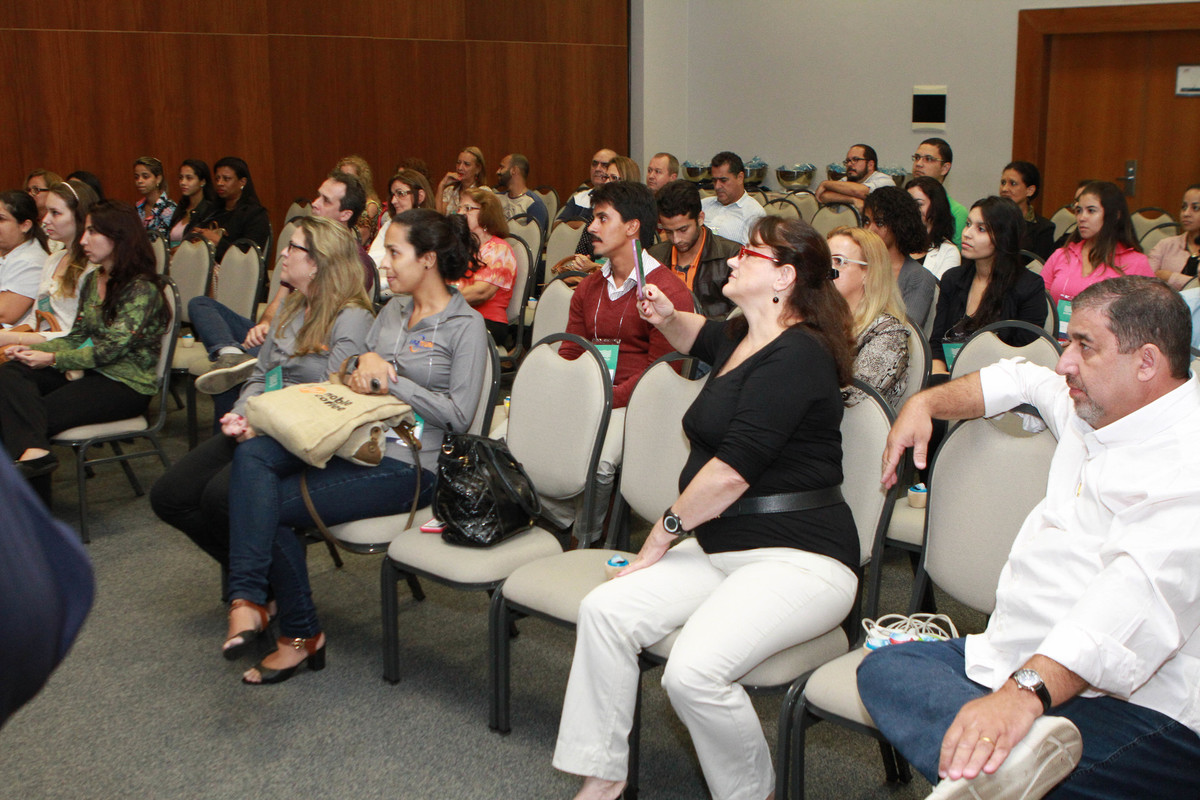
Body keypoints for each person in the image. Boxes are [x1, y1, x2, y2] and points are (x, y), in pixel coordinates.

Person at [554, 216, 860, 800]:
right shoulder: (743, 333)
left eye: (750, 252)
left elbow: (729, 475)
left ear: (784, 277)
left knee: (692, 674)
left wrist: (662, 534)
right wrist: (667, 318)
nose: (734, 258)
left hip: (801, 560)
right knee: (606, 612)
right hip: (726, 548)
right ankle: (604, 778)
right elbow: (698, 333)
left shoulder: (799, 355)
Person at [860, 275, 1200, 800]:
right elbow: (1016, 378)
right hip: (1020, 659)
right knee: (887, 668)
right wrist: (924, 405)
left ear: (1147, 363)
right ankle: (1012, 768)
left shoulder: (1187, 460)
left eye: (1083, 347)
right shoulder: (1094, 403)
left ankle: (1010, 768)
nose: (1064, 363)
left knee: (1062, 771)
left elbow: (1134, 601)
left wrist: (1025, 694)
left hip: (1138, 702)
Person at [222, 209, 488, 684]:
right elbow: (346, 376)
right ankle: (246, 598)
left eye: (394, 252)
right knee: (253, 455)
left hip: (413, 465)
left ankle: (297, 635)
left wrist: (393, 381)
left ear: (427, 260)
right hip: (356, 441)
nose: (383, 262)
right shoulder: (391, 311)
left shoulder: (464, 326)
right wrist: (357, 370)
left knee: (273, 507)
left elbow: (460, 416)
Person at [150, 216, 374, 589]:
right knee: (169, 496)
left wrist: (262, 421)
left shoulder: (352, 317)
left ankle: (262, 588)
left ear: (318, 262)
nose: (283, 253)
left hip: (302, 437)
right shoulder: (291, 306)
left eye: (294, 248)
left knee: (220, 497)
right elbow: (259, 375)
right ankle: (270, 579)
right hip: (258, 424)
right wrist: (241, 416)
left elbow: (332, 393)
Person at [546, 181, 693, 546]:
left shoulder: (667, 292)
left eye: (601, 218)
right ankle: (554, 521)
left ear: (632, 227)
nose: (591, 227)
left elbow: (661, 375)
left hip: (636, 402)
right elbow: (571, 351)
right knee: (520, 435)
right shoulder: (589, 287)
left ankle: (588, 541)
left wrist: (605, 398)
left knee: (597, 461)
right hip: (592, 393)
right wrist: (568, 391)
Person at [0, 200, 170, 480]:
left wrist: (52, 358)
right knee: (11, 373)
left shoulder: (142, 289)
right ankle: (35, 469)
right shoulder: (94, 280)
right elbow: (78, 337)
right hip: (90, 371)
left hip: (125, 384)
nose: (83, 240)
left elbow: (109, 351)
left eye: (92, 232)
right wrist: (33, 349)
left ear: (118, 237)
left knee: (24, 418)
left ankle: (29, 510)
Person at [191, 170, 375, 417]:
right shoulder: (301, 250)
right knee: (202, 304)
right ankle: (231, 353)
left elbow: (329, 328)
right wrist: (265, 326)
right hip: (280, 332)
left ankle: (239, 367)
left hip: (303, 346)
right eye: (317, 196)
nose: (315, 204)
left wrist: (277, 338)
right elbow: (280, 302)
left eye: (326, 200)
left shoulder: (352, 262)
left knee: (231, 386)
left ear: (346, 214)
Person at [928, 197, 1047, 374]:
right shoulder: (952, 279)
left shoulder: (1029, 287)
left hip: (1001, 385)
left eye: (981, 229)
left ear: (1003, 237)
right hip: (950, 381)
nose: (967, 233)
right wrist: (940, 379)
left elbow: (1023, 356)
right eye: (968, 224)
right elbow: (937, 342)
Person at [0, 180, 98, 352]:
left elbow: (80, 336)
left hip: (66, 353)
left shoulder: (93, 268)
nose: (45, 220)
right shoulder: (54, 259)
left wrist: (14, 338)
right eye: (47, 212)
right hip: (40, 345)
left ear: (79, 217)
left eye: (55, 213)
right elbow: (35, 320)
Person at [828, 226, 909, 406]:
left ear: (868, 273)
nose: (827, 269)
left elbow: (851, 398)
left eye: (838, 261)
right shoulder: (818, 320)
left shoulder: (889, 334)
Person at [1041, 181, 1152, 312]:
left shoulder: (1136, 263)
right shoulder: (1061, 255)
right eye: (1079, 210)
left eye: (1091, 211)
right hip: (1055, 331)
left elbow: (1147, 317)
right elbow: (1039, 302)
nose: (1082, 218)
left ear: (1115, 215)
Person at [647, 179, 738, 319]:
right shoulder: (653, 256)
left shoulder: (732, 257)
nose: (676, 239)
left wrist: (698, 328)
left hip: (711, 338)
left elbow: (740, 316)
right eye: (668, 232)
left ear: (700, 218)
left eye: (683, 230)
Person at [863, 187, 935, 327]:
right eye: (866, 221)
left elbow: (905, 331)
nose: (870, 230)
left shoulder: (919, 277)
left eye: (879, 223)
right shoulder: (856, 265)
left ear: (899, 226)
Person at [455, 187, 516, 344]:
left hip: (487, 322)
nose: (460, 213)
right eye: (460, 207)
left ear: (486, 214)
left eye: (468, 208)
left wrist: (440, 301)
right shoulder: (460, 246)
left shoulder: (500, 249)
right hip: (458, 316)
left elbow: (480, 292)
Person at [192, 156, 271, 262]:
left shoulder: (255, 214)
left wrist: (217, 241)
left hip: (239, 274)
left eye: (226, 179)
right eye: (217, 179)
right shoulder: (212, 211)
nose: (220, 183)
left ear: (242, 182)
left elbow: (248, 255)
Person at [0, 191, 51, 326]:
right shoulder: (7, 253)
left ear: (25, 225)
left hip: (17, 342)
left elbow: (5, 313)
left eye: (1, 219)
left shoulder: (32, 260)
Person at [369, 169, 435, 270]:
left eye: (400, 194)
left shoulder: (433, 228)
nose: (393, 201)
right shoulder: (390, 224)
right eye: (393, 195)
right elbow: (373, 260)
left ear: (420, 196)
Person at [700, 150, 766, 245]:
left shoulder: (754, 213)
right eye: (714, 181)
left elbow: (751, 255)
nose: (717, 186)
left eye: (723, 180)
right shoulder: (704, 205)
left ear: (740, 178)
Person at [911, 138, 968, 245]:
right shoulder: (902, 202)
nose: (918, 164)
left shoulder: (957, 212)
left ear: (945, 168)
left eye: (928, 159)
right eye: (917, 158)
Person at [999, 161, 1056, 260]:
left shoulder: (1043, 229)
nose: (1004, 189)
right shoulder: (989, 219)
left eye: (1013, 183)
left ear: (1030, 191)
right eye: (1003, 183)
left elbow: (1038, 268)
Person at [906, 176, 961, 279]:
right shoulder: (896, 243)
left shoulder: (948, 252)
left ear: (936, 208)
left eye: (918, 204)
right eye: (907, 203)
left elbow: (937, 292)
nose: (911, 209)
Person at [1148, 183, 1200, 289]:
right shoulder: (1166, 245)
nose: (1186, 213)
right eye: (1183, 207)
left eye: (1195, 208)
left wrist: (1169, 277)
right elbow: (1146, 279)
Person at [816, 144, 894, 208]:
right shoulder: (845, 180)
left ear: (870, 165)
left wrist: (825, 184)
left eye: (855, 160)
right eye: (848, 161)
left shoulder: (885, 180)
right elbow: (824, 196)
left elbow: (860, 192)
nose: (849, 164)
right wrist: (852, 199)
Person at [165, 160, 217, 249]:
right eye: (181, 178)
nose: (183, 182)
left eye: (189, 178)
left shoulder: (209, 210)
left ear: (202, 182)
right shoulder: (181, 208)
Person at [336, 154, 384, 247]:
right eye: (342, 177)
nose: (345, 181)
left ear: (361, 179)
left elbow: (358, 241)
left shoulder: (370, 206)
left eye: (349, 177)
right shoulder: (342, 202)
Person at [557, 148, 617, 223]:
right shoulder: (579, 198)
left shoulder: (619, 202)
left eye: (604, 165)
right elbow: (557, 226)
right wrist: (581, 225)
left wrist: (575, 225)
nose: (597, 169)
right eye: (594, 164)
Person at [494, 153, 549, 232]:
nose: (498, 172)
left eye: (502, 167)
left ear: (514, 170)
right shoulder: (496, 199)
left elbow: (534, 241)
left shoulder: (534, 204)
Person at [132, 156, 177, 240]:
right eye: (136, 177)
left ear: (158, 179)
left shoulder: (169, 209)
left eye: (145, 176)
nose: (139, 181)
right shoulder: (138, 207)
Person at [435, 146, 485, 215]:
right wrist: (441, 185)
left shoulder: (483, 192)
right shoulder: (450, 191)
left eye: (466, 164)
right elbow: (438, 217)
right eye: (458, 163)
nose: (460, 168)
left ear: (478, 169)